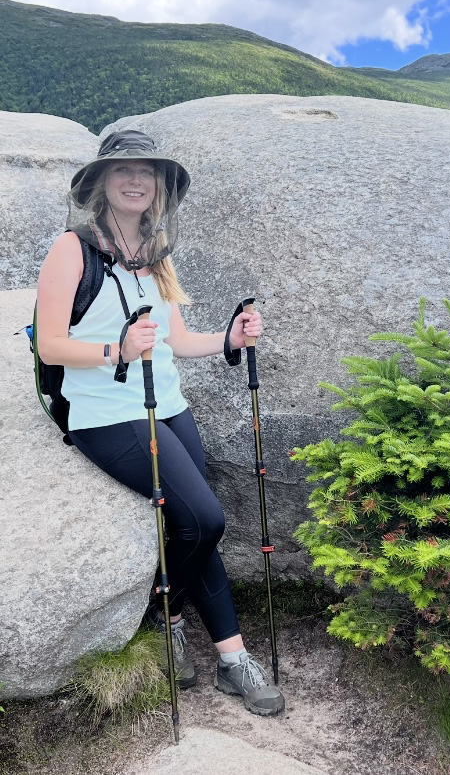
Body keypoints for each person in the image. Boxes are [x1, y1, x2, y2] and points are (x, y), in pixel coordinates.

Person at [37, 129, 285, 717]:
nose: (135, 180)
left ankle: (229, 659)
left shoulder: (156, 250)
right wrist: (114, 352)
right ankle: (169, 615)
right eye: (122, 170)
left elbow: (174, 341)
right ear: (99, 182)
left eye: (147, 172)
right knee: (206, 518)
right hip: (102, 412)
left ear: (160, 186)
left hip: (166, 404)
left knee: (198, 523)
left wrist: (228, 337)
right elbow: (50, 346)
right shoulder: (71, 249)